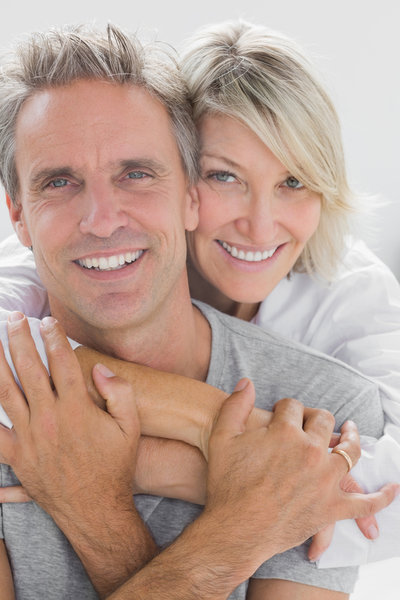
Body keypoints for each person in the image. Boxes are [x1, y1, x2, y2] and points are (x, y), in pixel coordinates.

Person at [0, 22, 397, 600]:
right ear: (16, 215)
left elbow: (374, 496)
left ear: (185, 195)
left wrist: (108, 484)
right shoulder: (14, 390)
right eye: (59, 182)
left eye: (135, 173)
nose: (103, 218)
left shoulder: (323, 407)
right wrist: (246, 500)